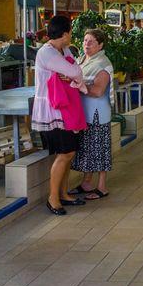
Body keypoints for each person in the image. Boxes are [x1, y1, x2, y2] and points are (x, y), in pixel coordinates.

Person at [31, 15, 87, 216]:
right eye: (70, 31)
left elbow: (75, 71)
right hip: (52, 112)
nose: (71, 35)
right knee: (65, 153)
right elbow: (75, 72)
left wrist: (73, 72)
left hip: (65, 109)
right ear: (64, 34)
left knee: (69, 152)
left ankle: (63, 193)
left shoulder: (61, 50)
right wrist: (72, 72)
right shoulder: (47, 54)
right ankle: (53, 198)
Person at [68, 28, 115, 199]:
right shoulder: (82, 59)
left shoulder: (102, 64)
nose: (86, 44)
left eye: (91, 42)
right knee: (87, 148)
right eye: (85, 40)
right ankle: (86, 182)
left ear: (100, 45)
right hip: (84, 113)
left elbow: (98, 91)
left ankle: (102, 187)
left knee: (99, 148)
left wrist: (81, 87)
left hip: (98, 114)